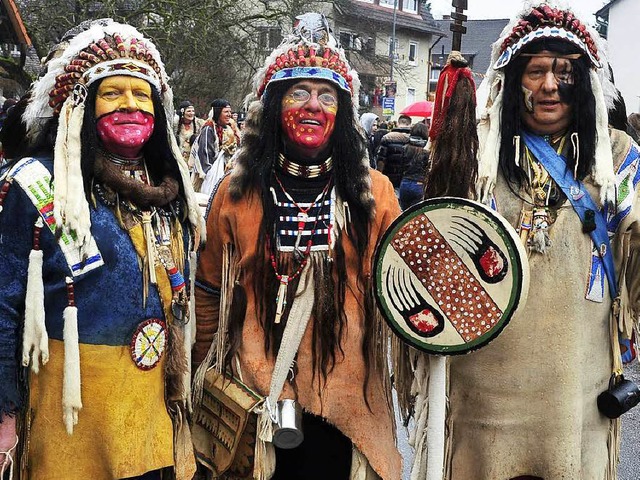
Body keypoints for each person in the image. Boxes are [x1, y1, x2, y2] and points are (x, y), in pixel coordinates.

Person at [408, 3, 640, 479]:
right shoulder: (472, 151)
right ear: (513, 82)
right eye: (535, 72)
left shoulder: (615, 156)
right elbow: (426, 262)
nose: (550, 86)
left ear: (587, 84)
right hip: (483, 395)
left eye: (564, 73)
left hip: (576, 393)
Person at [192, 12, 402, 480]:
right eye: (298, 93)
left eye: (328, 96)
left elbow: (403, 288)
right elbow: (208, 292)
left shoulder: (376, 193)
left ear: (342, 114)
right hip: (257, 388)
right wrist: (200, 373)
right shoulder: (237, 191)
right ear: (272, 108)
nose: (313, 106)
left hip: (346, 391)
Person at [0, 20, 203, 479]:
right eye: (112, 93)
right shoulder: (35, 184)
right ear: (80, 107)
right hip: (70, 418)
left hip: (152, 413)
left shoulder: (172, 192)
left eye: (142, 94)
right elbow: (3, 310)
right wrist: (4, 417)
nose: (131, 104)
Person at [191, 98, 239, 193]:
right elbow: (204, 154)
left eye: (230, 111)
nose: (229, 114)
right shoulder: (209, 128)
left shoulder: (229, 128)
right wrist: (210, 175)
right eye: (226, 112)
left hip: (226, 170)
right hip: (209, 174)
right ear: (217, 112)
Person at [376, 114, 412, 193]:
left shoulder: (387, 137)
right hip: (407, 180)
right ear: (410, 124)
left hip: (389, 179)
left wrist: (379, 176)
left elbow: (381, 159)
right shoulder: (413, 139)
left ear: (398, 123)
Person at [398, 122, 429, 210]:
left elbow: (400, 167)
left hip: (405, 182)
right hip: (419, 184)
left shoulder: (405, 148)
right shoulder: (426, 151)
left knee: (403, 214)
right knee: (415, 215)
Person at [175, 99, 204, 168]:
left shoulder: (198, 123)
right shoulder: (175, 123)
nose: (192, 113)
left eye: (193, 111)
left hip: (193, 159)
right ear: (182, 112)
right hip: (179, 158)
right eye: (189, 111)